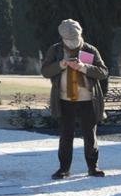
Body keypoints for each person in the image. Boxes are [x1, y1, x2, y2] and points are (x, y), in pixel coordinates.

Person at [41, 19, 108, 179]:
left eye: (75, 39)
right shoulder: (55, 50)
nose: (73, 43)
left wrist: (83, 67)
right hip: (64, 100)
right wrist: (61, 65)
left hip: (87, 100)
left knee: (90, 135)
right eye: (69, 40)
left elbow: (103, 72)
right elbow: (45, 71)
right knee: (66, 135)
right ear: (62, 38)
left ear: (80, 34)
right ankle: (64, 169)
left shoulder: (90, 49)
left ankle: (93, 167)